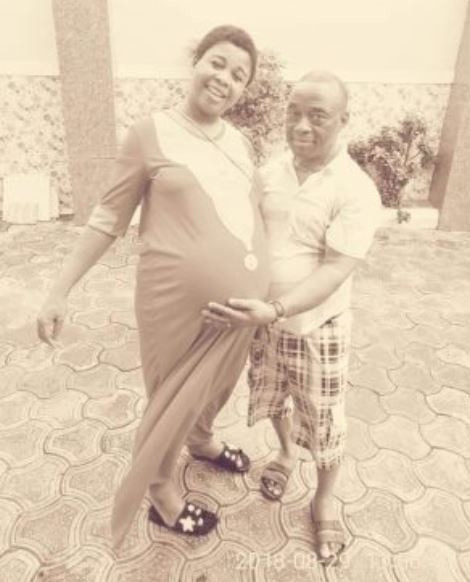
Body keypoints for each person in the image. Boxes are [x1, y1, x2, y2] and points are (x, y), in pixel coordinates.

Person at [37, 25, 270, 547]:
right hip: (174, 304)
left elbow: (246, 211)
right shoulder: (150, 133)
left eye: (239, 75)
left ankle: (202, 440)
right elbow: (107, 218)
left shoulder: (239, 142)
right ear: (196, 61)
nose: (225, 79)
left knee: (218, 384)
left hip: (242, 309)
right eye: (217, 63)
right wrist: (59, 290)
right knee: (170, 395)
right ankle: (162, 494)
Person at [203, 70, 382, 565]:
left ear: (343, 120)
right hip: (263, 322)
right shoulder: (269, 174)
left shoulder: (355, 189)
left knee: (324, 419)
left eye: (317, 116)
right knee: (273, 396)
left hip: (319, 326)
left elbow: (337, 268)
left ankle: (324, 498)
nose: (302, 126)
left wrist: (278, 308)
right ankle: (284, 453)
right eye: (294, 113)